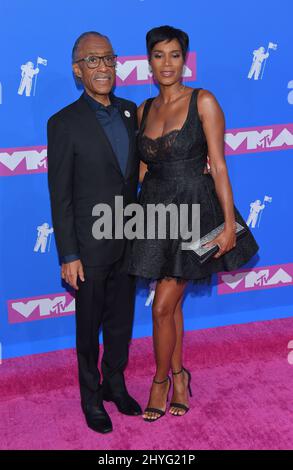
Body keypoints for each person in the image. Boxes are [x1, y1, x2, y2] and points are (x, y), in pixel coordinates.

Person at [127, 25, 259, 422]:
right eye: (158, 55)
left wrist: (227, 226)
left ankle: (160, 381)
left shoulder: (204, 101)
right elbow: (142, 168)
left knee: (162, 306)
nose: (166, 63)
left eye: (174, 55)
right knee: (172, 307)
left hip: (197, 212)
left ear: (185, 59)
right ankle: (181, 376)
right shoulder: (143, 109)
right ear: (148, 61)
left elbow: (218, 165)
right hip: (156, 213)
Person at [47, 31, 142, 434]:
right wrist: (69, 254)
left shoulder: (130, 111)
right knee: (88, 328)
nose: (102, 67)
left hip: (129, 238)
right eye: (92, 60)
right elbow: (61, 195)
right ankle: (90, 397)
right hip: (88, 247)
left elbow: (140, 170)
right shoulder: (63, 123)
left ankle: (113, 384)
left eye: (108, 59)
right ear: (77, 70)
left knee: (121, 321)